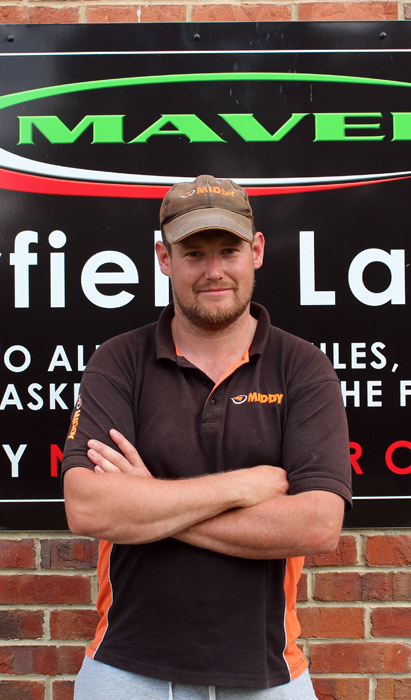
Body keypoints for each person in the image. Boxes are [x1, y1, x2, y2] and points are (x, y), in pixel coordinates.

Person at [62, 174, 352, 700]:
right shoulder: (117, 361)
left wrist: (148, 503)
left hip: (269, 674)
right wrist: (242, 486)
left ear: (256, 251)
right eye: (194, 253)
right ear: (164, 258)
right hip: (125, 671)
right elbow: (88, 507)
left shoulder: (303, 367)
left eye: (228, 251)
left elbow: (318, 524)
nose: (213, 271)